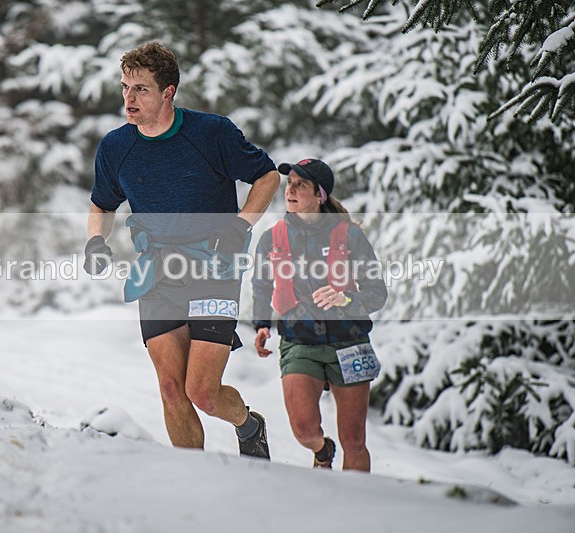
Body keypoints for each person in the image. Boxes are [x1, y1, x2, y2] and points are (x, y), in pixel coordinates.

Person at [84, 42, 280, 458]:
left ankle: (248, 424)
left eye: (141, 89)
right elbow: (102, 203)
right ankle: (193, 479)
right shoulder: (117, 147)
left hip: (216, 265)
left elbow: (266, 177)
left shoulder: (211, 133)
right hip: (157, 272)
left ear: (168, 92)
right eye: (125, 88)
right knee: (172, 389)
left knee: (202, 392)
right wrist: (96, 241)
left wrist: (240, 225)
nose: (129, 99)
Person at [252, 158, 388, 471]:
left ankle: (356, 504)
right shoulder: (272, 238)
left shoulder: (350, 236)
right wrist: (261, 325)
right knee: (303, 429)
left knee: (354, 440)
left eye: (301, 184)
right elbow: (261, 284)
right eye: (290, 183)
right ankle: (322, 450)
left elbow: (377, 292)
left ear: (319, 195)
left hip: (349, 341)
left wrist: (347, 297)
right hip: (299, 340)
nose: (292, 189)